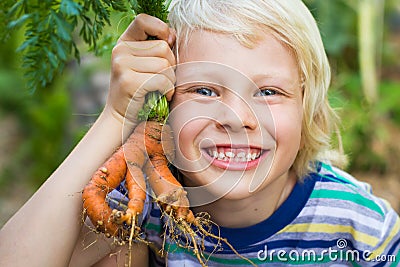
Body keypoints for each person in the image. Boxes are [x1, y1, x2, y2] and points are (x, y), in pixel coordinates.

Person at [1, 0, 399, 266]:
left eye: (268, 92)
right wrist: (115, 116)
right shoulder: (143, 210)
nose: (238, 117)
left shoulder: (359, 228)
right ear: (166, 104)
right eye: (204, 90)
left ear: (306, 103)